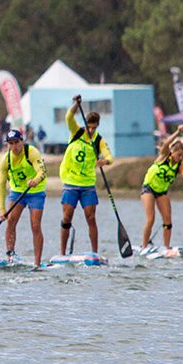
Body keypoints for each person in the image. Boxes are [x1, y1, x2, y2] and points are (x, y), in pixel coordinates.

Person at [58, 95, 114, 254]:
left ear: (97, 126)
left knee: (91, 218)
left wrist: (105, 162)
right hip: (70, 182)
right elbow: (69, 116)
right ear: (85, 125)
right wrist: (76, 104)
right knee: (67, 217)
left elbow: (110, 156)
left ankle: (95, 253)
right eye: (89, 127)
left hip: (88, 185)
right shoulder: (76, 132)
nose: (91, 131)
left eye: (94, 128)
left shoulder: (99, 140)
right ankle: (62, 253)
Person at [139, 126, 183, 252]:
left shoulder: (179, 167)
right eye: (179, 155)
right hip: (148, 188)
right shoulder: (164, 156)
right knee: (151, 219)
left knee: (168, 221)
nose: (180, 158)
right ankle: (144, 246)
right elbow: (166, 143)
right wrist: (178, 132)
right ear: (173, 152)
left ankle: (166, 247)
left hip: (161, 192)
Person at [0, 128, 48, 266]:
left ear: (22, 141)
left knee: (35, 225)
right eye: (10, 143)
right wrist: (2, 210)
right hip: (17, 191)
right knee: (11, 221)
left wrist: (35, 180)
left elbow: (42, 171)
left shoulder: (31, 152)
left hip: (36, 191)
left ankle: (37, 263)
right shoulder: (5, 160)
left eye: (16, 142)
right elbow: (1, 186)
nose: (14, 146)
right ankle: (10, 256)